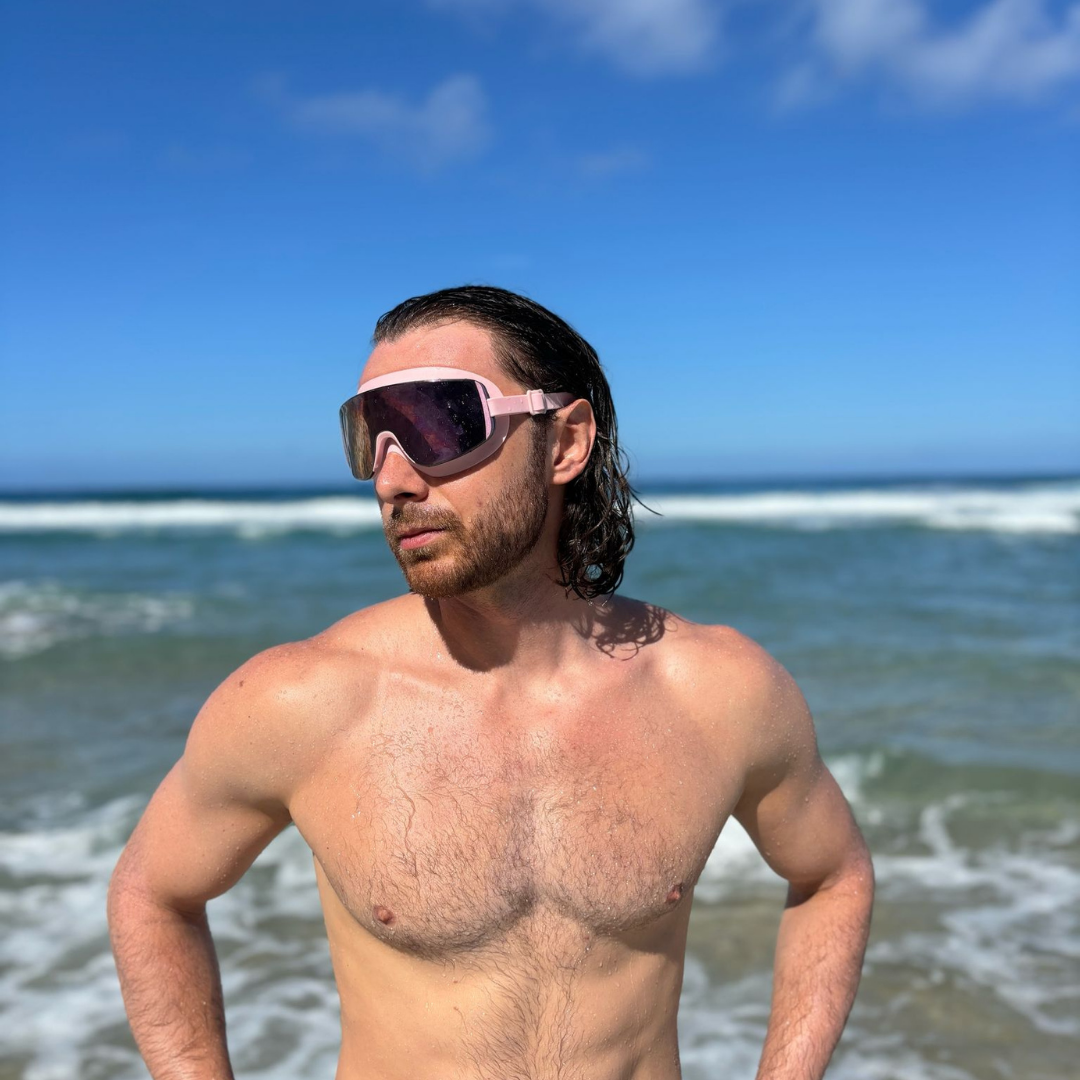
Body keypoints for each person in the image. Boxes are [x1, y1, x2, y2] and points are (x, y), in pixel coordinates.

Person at [107, 285, 874, 1080]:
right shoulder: (304, 700)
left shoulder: (719, 692)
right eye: (372, 435)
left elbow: (832, 874)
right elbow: (151, 894)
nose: (393, 479)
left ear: (566, 443)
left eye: (439, 420)